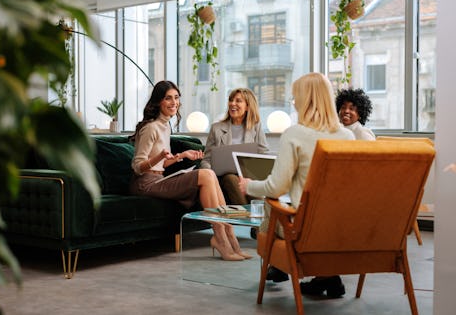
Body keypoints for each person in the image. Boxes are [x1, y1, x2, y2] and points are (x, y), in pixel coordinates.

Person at [238, 72, 355, 296]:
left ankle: (279, 265)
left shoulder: (295, 134)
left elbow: (275, 188)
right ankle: (327, 277)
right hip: (339, 228)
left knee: (272, 205)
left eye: (295, 98)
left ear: (305, 100)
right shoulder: (347, 136)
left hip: (303, 229)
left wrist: (249, 186)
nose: (295, 103)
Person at [129, 80, 251, 261]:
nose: (174, 102)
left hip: (157, 178)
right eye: (168, 98)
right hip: (144, 184)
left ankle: (229, 235)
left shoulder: (165, 126)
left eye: (176, 98)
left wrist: (181, 156)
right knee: (205, 174)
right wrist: (160, 157)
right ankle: (222, 240)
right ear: (158, 102)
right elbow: (138, 166)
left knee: (208, 173)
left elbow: (161, 165)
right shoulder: (150, 128)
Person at [200, 88, 269, 205]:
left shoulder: (256, 127)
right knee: (231, 178)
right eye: (231, 100)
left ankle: (262, 218)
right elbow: (206, 159)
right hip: (223, 177)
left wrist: (255, 175)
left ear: (247, 106)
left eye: (238, 101)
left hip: (248, 176)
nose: (233, 103)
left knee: (253, 190)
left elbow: (264, 154)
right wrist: (210, 175)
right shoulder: (216, 128)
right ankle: (245, 218)